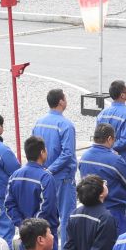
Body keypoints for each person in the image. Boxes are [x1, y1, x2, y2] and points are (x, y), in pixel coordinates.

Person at [37, 89, 82, 228]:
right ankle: (66, 244)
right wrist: (51, 170)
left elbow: (34, 147)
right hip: (63, 178)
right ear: (61, 102)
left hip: (43, 176)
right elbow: (67, 153)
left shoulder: (39, 123)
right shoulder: (65, 125)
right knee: (67, 219)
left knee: (48, 217)